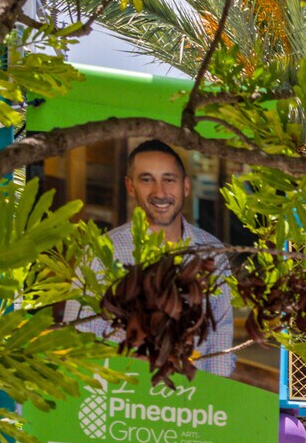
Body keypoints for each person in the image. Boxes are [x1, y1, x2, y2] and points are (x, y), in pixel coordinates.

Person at [85, 139, 235, 376]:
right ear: (130, 186)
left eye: (169, 179)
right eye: (147, 179)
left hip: (196, 403)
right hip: (123, 398)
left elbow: (220, 338)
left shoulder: (212, 251)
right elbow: (83, 335)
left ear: (185, 186)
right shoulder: (103, 252)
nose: (160, 192)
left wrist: (215, 398)